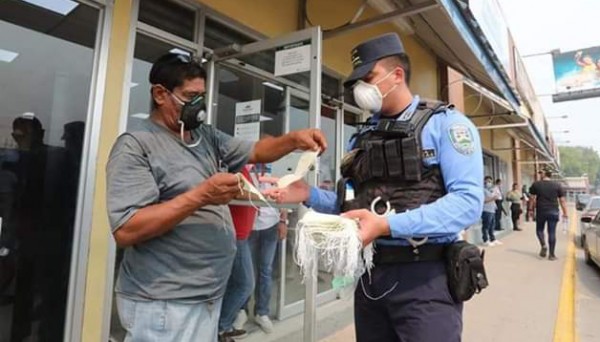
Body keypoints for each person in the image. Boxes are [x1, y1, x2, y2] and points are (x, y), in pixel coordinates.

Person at [265, 33, 483, 342]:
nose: (361, 90)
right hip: (371, 277)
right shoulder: (363, 137)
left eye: (369, 78)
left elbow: (468, 203)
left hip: (426, 277)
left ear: (397, 75)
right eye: (357, 83)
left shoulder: (447, 125)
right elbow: (356, 207)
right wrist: (307, 194)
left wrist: (386, 225)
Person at [106, 53, 327, 342]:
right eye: (190, 96)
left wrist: (293, 140)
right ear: (160, 94)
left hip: (206, 295)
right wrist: (200, 196)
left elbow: (257, 151)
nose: (198, 105)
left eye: (202, 96)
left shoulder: (205, 136)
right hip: (164, 302)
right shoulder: (136, 146)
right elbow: (126, 229)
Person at [244, 162, 287, 334]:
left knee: (265, 271)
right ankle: (242, 310)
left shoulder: (275, 169)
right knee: (246, 271)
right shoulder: (246, 166)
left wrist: (283, 221)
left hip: (270, 225)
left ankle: (262, 312)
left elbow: (283, 193)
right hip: (250, 227)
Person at [218, 165, 257, 340]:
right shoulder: (234, 168)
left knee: (235, 283)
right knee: (245, 284)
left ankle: (222, 326)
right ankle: (222, 327)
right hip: (236, 235)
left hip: (242, 234)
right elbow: (236, 192)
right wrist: (263, 197)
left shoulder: (246, 169)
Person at [528, 170, 568, 261]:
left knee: (539, 230)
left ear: (544, 174)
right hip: (553, 211)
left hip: (541, 211)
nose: (539, 175)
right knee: (552, 232)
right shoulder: (557, 185)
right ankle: (552, 255)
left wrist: (530, 210)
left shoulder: (536, 184)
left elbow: (532, 198)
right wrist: (565, 213)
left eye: (541, 173)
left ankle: (543, 245)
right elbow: (562, 200)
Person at [482, 176, 500, 246]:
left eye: (490, 181)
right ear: (484, 181)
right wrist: (493, 198)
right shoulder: (483, 190)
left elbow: (493, 198)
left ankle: (493, 239)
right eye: (488, 181)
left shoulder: (491, 190)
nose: (489, 183)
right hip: (486, 210)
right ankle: (485, 240)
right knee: (486, 226)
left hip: (492, 210)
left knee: (492, 225)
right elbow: (484, 200)